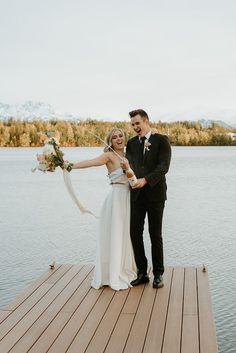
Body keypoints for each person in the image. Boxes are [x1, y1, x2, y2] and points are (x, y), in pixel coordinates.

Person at [64, 128, 136, 291]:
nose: (118, 139)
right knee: (116, 234)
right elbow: (90, 162)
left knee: (127, 234)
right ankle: (112, 274)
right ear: (110, 141)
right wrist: (70, 166)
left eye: (120, 136)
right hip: (116, 199)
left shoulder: (128, 155)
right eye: (114, 137)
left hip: (129, 198)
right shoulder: (108, 156)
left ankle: (128, 268)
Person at [122, 109, 171, 289]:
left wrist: (145, 180)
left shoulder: (161, 140)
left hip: (155, 194)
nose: (135, 127)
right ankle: (142, 273)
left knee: (155, 234)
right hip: (136, 195)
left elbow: (163, 167)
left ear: (146, 121)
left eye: (137, 123)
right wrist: (128, 173)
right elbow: (130, 167)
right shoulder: (132, 143)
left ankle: (158, 274)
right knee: (135, 233)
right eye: (132, 124)